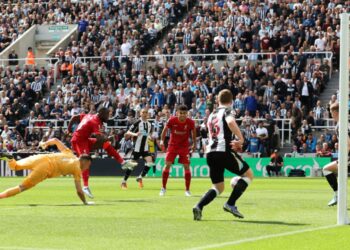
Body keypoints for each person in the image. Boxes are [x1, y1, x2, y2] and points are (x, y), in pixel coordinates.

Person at [193, 89, 253, 220]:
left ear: (217, 100)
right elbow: (231, 122)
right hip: (222, 150)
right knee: (248, 175)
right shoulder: (227, 111)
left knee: (218, 187)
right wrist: (240, 139)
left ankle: (198, 206)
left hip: (210, 152)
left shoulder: (211, 115)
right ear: (231, 101)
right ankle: (230, 203)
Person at [67, 107, 137, 198]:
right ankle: (85, 186)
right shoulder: (96, 121)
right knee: (86, 161)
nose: (108, 117)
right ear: (101, 113)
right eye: (107, 115)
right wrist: (109, 138)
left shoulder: (89, 115)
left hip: (84, 140)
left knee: (106, 145)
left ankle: (123, 163)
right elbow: (99, 138)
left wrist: (69, 130)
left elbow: (74, 117)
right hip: (78, 141)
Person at [0, 138, 93, 205]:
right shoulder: (77, 169)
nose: (87, 168)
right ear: (85, 161)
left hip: (41, 158)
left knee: (15, 166)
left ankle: (10, 158)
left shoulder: (69, 153)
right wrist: (85, 202)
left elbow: (56, 140)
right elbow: (79, 191)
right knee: (22, 187)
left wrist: (45, 143)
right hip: (45, 169)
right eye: (88, 165)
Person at [159, 105, 196, 196]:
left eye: (184, 113)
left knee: (186, 166)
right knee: (167, 165)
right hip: (172, 146)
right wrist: (161, 141)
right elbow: (164, 130)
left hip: (184, 146)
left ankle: (187, 190)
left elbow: (193, 132)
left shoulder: (190, 122)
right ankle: (163, 188)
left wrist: (194, 143)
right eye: (181, 113)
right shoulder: (172, 120)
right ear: (177, 113)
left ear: (187, 114)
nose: (182, 115)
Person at [322, 103, 350, 206]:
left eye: (331, 112)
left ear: (335, 112)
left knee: (326, 169)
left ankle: (338, 196)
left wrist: (344, 158)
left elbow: (348, 144)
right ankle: (338, 196)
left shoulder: (340, 125)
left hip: (347, 157)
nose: (330, 114)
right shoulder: (345, 123)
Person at [121, 109, 155, 189]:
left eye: (146, 112)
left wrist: (151, 137)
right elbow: (128, 132)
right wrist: (135, 134)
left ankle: (140, 177)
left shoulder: (149, 124)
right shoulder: (137, 122)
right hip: (137, 148)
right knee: (132, 166)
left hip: (145, 148)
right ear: (140, 113)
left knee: (150, 162)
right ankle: (124, 181)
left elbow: (149, 134)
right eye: (143, 112)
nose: (145, 114)